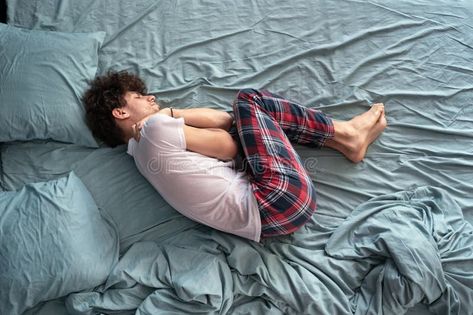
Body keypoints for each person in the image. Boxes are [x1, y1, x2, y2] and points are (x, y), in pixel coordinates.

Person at [84, 71, 387, 242]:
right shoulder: (155, 128)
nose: (151, 98)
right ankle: (346, 133)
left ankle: (341, 142)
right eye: (138, 97)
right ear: (120, 112)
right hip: (280, 198)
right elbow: (226, 130)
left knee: (251, 127)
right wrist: (171, 112)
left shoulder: (137, 153)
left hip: (273, 223)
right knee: (248, 102)